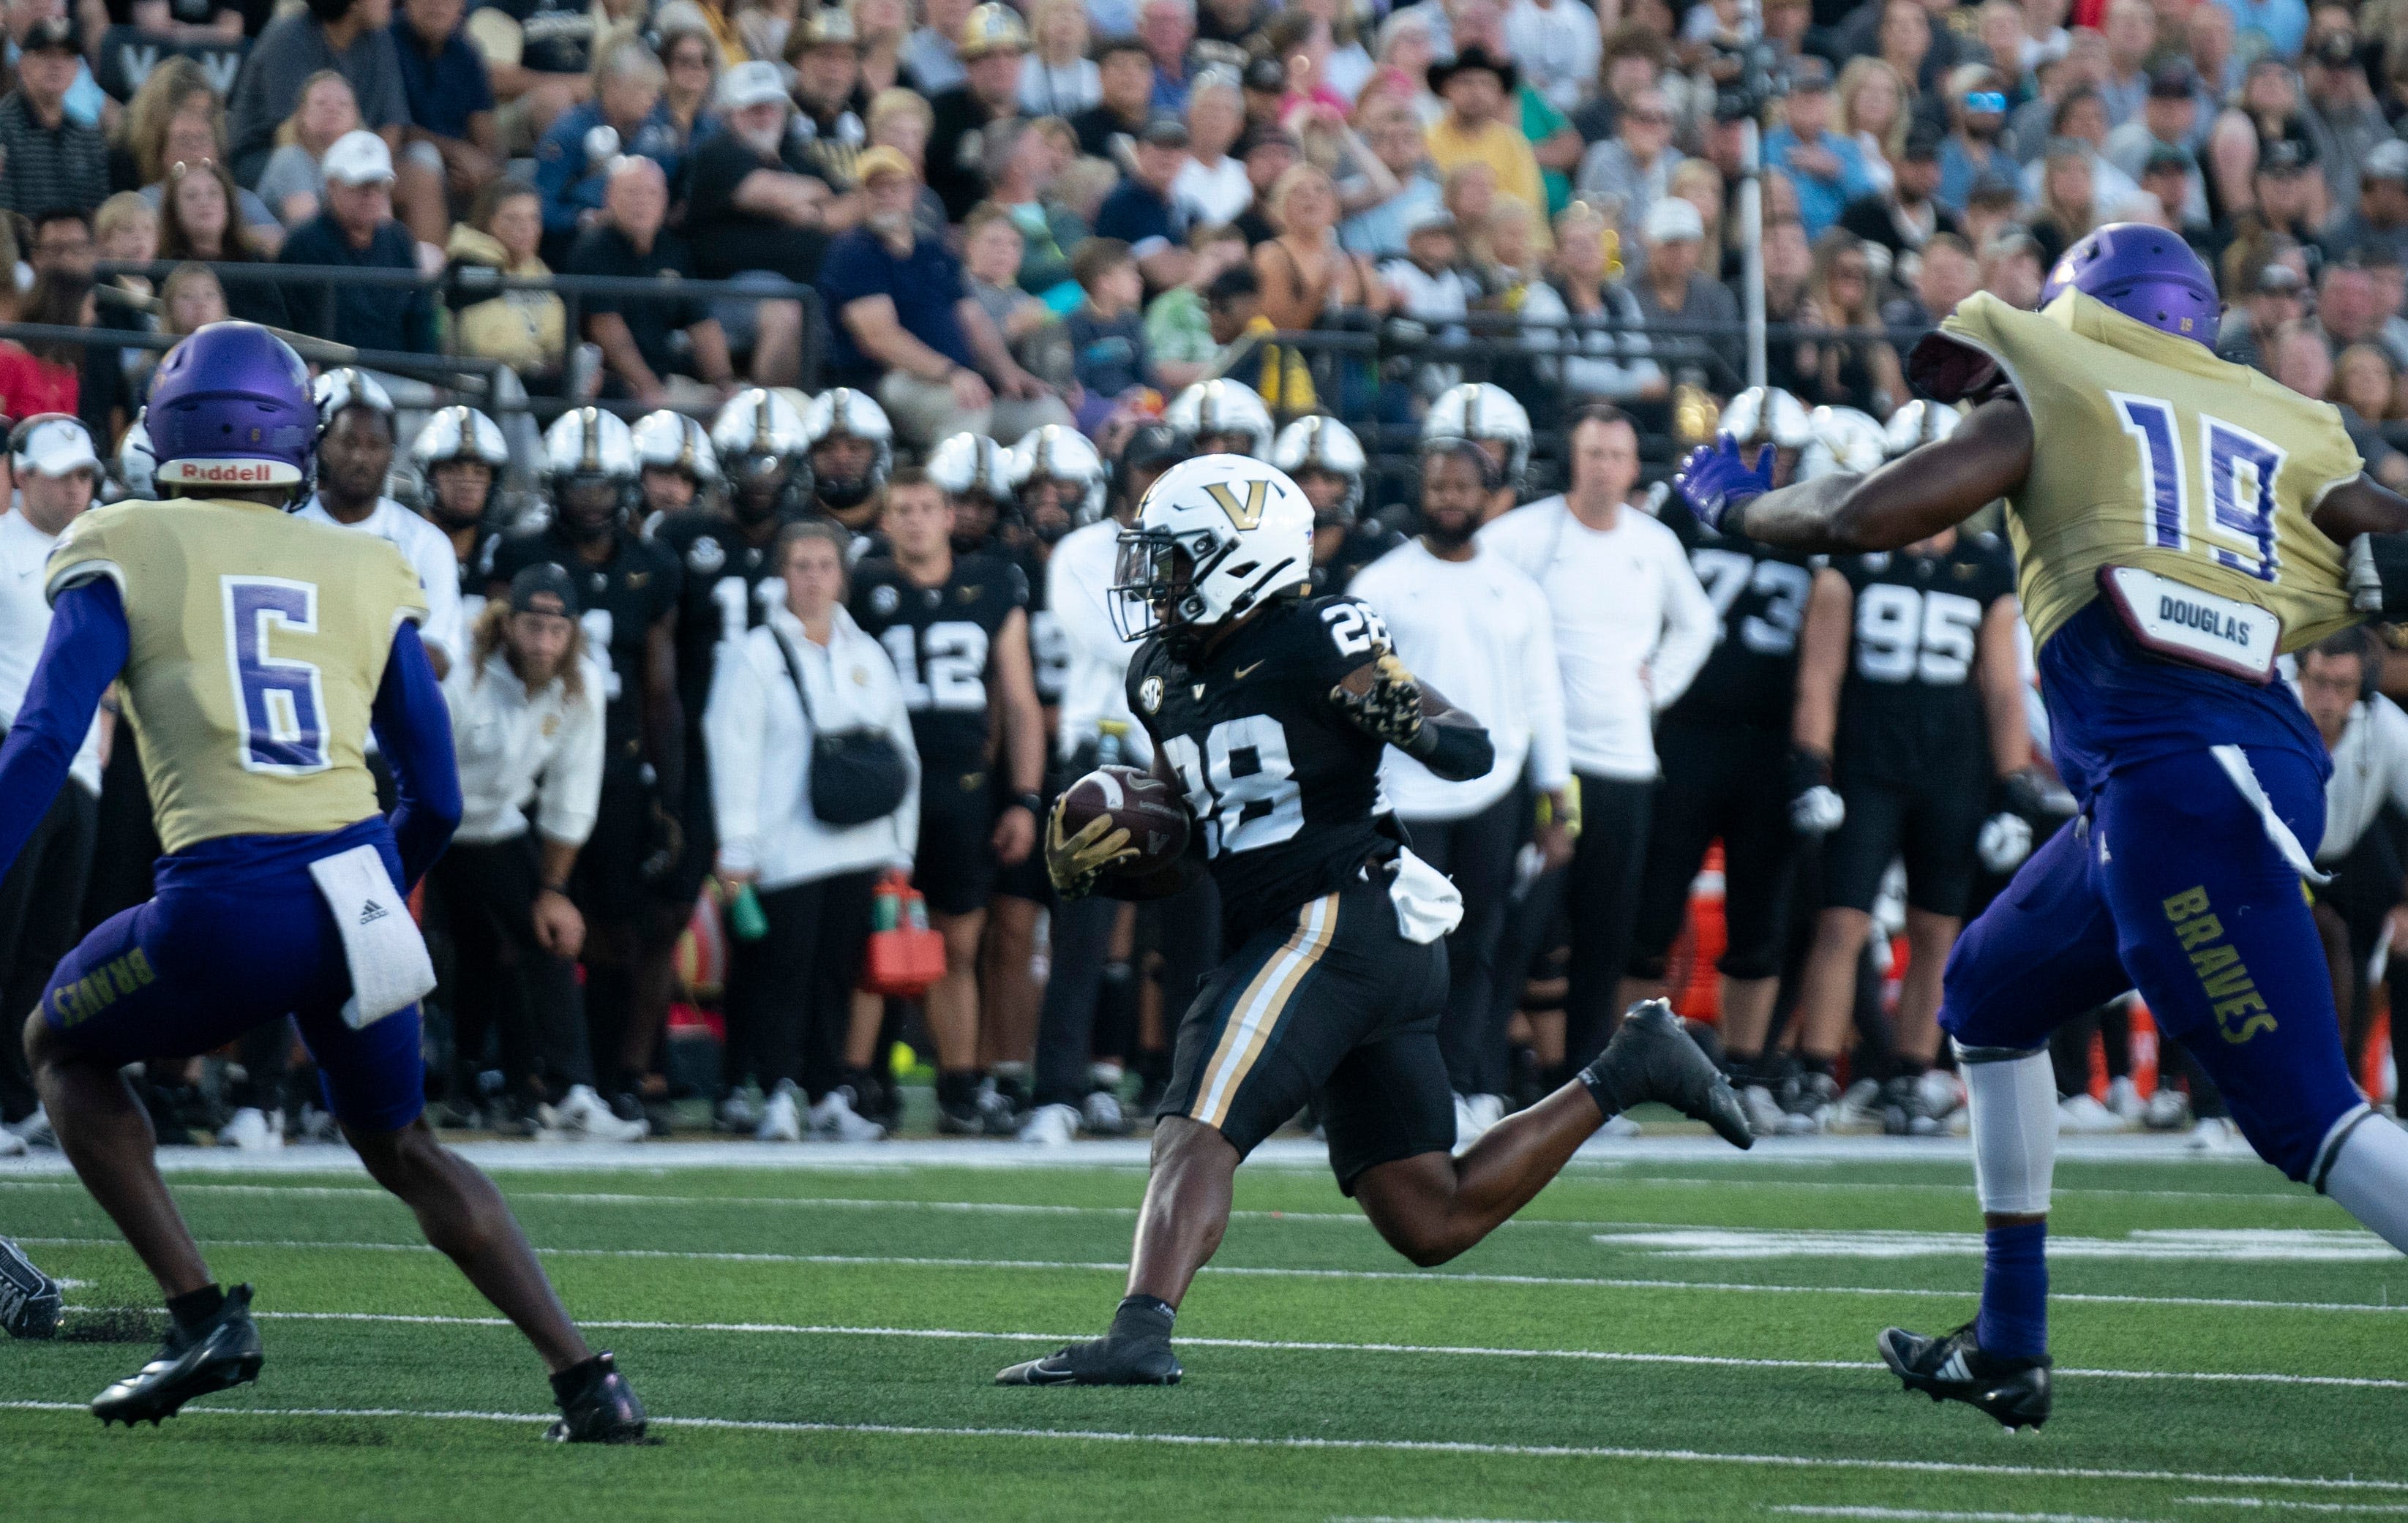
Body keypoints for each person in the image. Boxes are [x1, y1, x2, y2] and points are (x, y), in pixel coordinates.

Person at [1672, 222, 2408, 1429]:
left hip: (2181, 778)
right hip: (2212, 762)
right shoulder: (2279, 421)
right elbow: (2381, 520)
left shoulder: (2059, 398)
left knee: (2304, 1117)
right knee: (1987, 995)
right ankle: (2009, 1341)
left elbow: (1864, 514)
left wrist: (1739, 510)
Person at [0, 321, 650, 1438]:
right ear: (294, 440)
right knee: (404, 1145)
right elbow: (435, 794)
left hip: (223, 897)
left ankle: (202, 1312)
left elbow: (46, 734)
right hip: (357, 891)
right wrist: (363, 888)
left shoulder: (122, 539)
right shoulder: (364, 558)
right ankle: (587, 1380)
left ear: (168, 434)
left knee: (59, 1045)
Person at [994, 451, 1749, 1386]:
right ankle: (1629, 1067)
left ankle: (1140, 1332)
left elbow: (1468, 748)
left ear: (1241, 558)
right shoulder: (1157, 674)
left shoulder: (1320, 635)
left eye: (1178, 560)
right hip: (1332, 936)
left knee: (1198, 1119)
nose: (1159, 582)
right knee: (1431, 1215)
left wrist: (1399, 707)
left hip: (1334, 919)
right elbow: (1208, 836)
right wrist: (1113, 860)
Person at [1778, 460, 2032, 1135]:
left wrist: (2013, 786)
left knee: (1935, 931)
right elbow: (1820, 675)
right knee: (1841, 924)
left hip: (1952, 773)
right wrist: (1812, 765)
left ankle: (1910, 1077)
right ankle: (1812, 1072)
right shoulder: (1853, 561)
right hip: (1867, 769)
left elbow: (2003, 687)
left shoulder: (1986, 567)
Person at [1481, 403, 1716, 1072]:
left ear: (1634, 466)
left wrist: (1656, 689)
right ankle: (1481, 1075)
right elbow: (1476, 596)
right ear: (1571, 459)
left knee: (1606, 934)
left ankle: (1583, 1084)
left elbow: (1696, 626)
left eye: (1615, 456)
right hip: (1547, 764)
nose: (1604, 468)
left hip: (1625, 765)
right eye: (1592, 454)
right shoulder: (1524, 536)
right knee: (1522, 927)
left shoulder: (1653, 544)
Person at [1348, 435, 1569, 1143]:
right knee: (1400, 952)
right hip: (1399, 796)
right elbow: (1350, 695)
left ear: (1489, 495)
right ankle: (1384, 1090)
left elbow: (1542, 699)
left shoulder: (1516, 590)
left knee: (1479, 945)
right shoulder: (1378, 586)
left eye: (1462, 487)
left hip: (1492, 792)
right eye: (1437, 485)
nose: (1449, 498)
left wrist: (1555, 798)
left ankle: (1467, 1082)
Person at [1619, 388, 1818, 1136]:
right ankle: (1622, 1066)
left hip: (1772, 744)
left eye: (1785, 452)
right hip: (1685, 733)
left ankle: (1746, 1071)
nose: (1771, 465)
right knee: (1651, 908)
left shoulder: (1820, 520)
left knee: (1759, 920)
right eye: (1756, 448)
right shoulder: (1682, 511)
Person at [487, 408, 686, 1132]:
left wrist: (671, 790)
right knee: (520, 934)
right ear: (554, 485)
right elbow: (491, 664)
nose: (595, 498)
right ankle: (525, 1075)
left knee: (617, 933)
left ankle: (610, 1077)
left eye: (606, 484)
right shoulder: (521, 554)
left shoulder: (651, 567)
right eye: (580, 482)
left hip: (616, 768)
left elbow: (659, 689)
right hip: (531, 768)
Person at [848, 469, 1046, 1133]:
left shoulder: (991, 583)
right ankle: (862, 1084)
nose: (913, 520)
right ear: (885, 520)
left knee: (958, 945)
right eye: (901, 509)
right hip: (882, 785)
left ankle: (960, 1086)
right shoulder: (863, 587)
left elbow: (1018, 702)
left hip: (963, 785)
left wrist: (1023, 797)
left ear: (948, 515)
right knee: (875, 938)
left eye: (926, 508)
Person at [708, 519, 913, 1143]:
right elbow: (731, 748)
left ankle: (828, 1092)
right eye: (800, 565)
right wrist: (737, 845)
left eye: (825, 565)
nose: (813, 579)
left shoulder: (866, 654)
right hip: (783, 847)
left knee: (837, 975)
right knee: (781, 975)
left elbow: (899, 752)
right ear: (780, 575)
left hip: (858, 844)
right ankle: (775, 1091)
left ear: (842, 578)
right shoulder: (755, 654)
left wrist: (899, 845)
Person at [435, 564, 643, 1141]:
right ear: (506, 624)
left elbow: (572, 794)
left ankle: (567, 1090)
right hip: (420, 820)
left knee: (548, 937)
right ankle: (324, 1094)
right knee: (410, 949)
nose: (544, 642)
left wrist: (553, 890)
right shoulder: (460, 673)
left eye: (557, 629)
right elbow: (407, 762)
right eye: (532, 626)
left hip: (495, 824)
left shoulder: (581, 685)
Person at [652, 389, 810, 1109]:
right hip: (699, 749)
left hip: (783, 758)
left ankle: (762, 1073)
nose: (761, 476)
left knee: (776, 926)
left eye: (774, 461)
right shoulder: (683, 536)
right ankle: (643, 1068)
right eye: (748, 460)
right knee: (663, 914)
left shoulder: (808, 546)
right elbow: (656, 649)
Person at [0, 415, 105, 1153]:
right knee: (3, 937)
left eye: (83, 474)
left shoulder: (100, 549)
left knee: (46, 945)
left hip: (83, 769)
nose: (75, 487)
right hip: (14, 751)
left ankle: (15, 1094)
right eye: (60, 473)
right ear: (19, 474)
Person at [819, 144, 1071, 447]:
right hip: (888, 381)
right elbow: (880, 338)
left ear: (914, 192)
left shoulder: (934, 251)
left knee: (1048, 414)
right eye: (875, 188)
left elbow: (973, 320)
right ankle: (954, 492)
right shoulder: (853, 252)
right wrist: (950, 373)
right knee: (967, 406)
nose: (885, 195)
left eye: (894, 186)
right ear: (860, 196)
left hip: (957, 380)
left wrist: (1009, 373)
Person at [299, 369, 465, 677]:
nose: (361, 457)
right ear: (322, 448)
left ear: (391, 453)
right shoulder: (290, 525)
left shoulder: (427, 543)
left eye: (375, 445)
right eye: (348, 443)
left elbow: (438, 659)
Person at [566, 156, 739, 406]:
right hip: (612, 386)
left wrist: (725, 384)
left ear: (664, 200)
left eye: (652, 193)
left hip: (665, 380)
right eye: (632, 193)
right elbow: (607, 330)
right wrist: (649, 388)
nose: (642, 202)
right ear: (609, 198)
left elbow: (703, 325)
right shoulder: (592, 250)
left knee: (736, 411)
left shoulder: (673, 249)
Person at [274, 129, 439, 356]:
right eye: (360, 186)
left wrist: (433, 374)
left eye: (378, 185)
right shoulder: (304, 243)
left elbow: (419, 316)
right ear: (332, 186)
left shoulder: (398, 238)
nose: (371, 196)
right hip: (334, 374)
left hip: (403, 373)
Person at [225, 0, 412, 191]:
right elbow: (289, 133)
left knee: (420, 164)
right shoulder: (289, 35)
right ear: (354, 3)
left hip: (352, 159)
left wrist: (369, 168)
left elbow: (392, 125)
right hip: (267, 157)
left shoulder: (380, 38)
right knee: (296, 166)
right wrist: (342, 178)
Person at [533, 37, 680, 260]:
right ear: (612, 84)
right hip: (582, 244)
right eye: (642, 87)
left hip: (646, 241)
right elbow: (542, 206)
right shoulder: (568, 132)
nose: (652, 98)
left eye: (656, 90)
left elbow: (674, 190)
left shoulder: (659, 134)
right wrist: (584, 218)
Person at [443, 178, 568, 395]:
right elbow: (489, 347)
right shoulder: (471, 266)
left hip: (535, 375)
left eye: (533, 218)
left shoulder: (536, 268)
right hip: (484, 382)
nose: (526, 229)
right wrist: (541, 364)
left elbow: (558, 334)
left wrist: (570, 361)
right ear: (488, 222)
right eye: (513, 219)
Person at [926, 1, 1029, 222]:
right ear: (968, 64)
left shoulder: (1033, 124)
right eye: (988, 56)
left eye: (1010, 54)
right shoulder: (940, 115)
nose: (1001, 65)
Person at [393, 0, 500, 211]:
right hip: (403, 163)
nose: (437, 5)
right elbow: (393, 128)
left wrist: (483, 167)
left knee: (522, 176)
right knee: (425, 157)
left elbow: (486, 130)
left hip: (457, 169)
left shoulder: (466, 51)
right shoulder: (386, 43)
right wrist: (456, 152)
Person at [157, 159, 290, 328]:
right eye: (191, 196)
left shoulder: (254, 265)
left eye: (213, 193)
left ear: (228, 205)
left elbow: (276, 329)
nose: (204, 202)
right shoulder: (161, 268)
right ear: (174, 211)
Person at [1272, 414, 1392, 596]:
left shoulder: (1376, 553)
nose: (1317, 489)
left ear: (1351, 486)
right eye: (1304, 478)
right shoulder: (1266, 550)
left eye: (1329, 479)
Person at [1422, 45, 1542, 225]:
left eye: (1486, 84)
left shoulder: (1514, 144)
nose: (1476, 92)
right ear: (1446, 89)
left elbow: (1528, 208)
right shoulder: (1426, 140)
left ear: (1498, 93)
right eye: (1466, 82)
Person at [0, 16, 106, 214]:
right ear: (23, 64)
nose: (56, 64)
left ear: (77, 69)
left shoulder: (87, 136)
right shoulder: (4, 128)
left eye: (66, 56)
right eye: (45, 54)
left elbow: (97, 213)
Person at [1766, 55, 1880, 241]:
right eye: (1803, 92)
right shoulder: (1767, 146)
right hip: (1784, 243)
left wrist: (1836, 169)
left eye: (1819, 93)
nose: (1811, 101)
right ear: (1786, 101)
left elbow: (1871, 202)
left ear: (1830, 103)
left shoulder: (1846, 149)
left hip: (1835, 250)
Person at [1094, 116, 1196, 295]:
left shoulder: (1182, 204)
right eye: (1159, 145)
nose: (1168, 155)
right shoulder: (1126, 200)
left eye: (1176, 147)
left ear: (1186, 156)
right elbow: (1165, 275)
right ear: (1139, 152)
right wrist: (1202, 259)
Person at [1073, 34, 1155, 159]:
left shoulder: (1165, 128)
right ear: (1100, 75)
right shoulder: (1078, 133)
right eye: (1119, 65)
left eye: (1141, 66)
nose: (1130, 74)